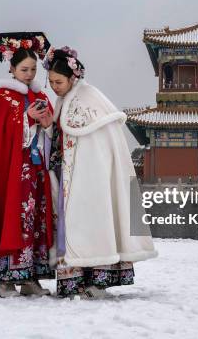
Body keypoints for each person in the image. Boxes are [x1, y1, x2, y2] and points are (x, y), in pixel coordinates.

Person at [44, 46, 157, 299]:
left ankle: (98, 280)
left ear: (73, 78)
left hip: (92, 178)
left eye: (58, 82)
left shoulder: (90, 100)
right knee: (71, 226)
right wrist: (48, 127)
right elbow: (62, 135)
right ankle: (73, 281)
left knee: (97, 221)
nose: (54, 87)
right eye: (50, 82)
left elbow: (100, 146)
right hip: (69, 177)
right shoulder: (63, 101)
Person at [0, 32, 55, 298]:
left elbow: (51, 130)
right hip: (12, 172)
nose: (29, 74)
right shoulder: (3, 97)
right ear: (11, 68)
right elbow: (0, 135)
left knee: (35, 222)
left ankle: (30, 278)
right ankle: (7, 279)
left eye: (33, 69)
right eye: (24, 69)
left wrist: (46, 124)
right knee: (13, 218)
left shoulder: (40, 94)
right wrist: (25, 118)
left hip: (35, 171)